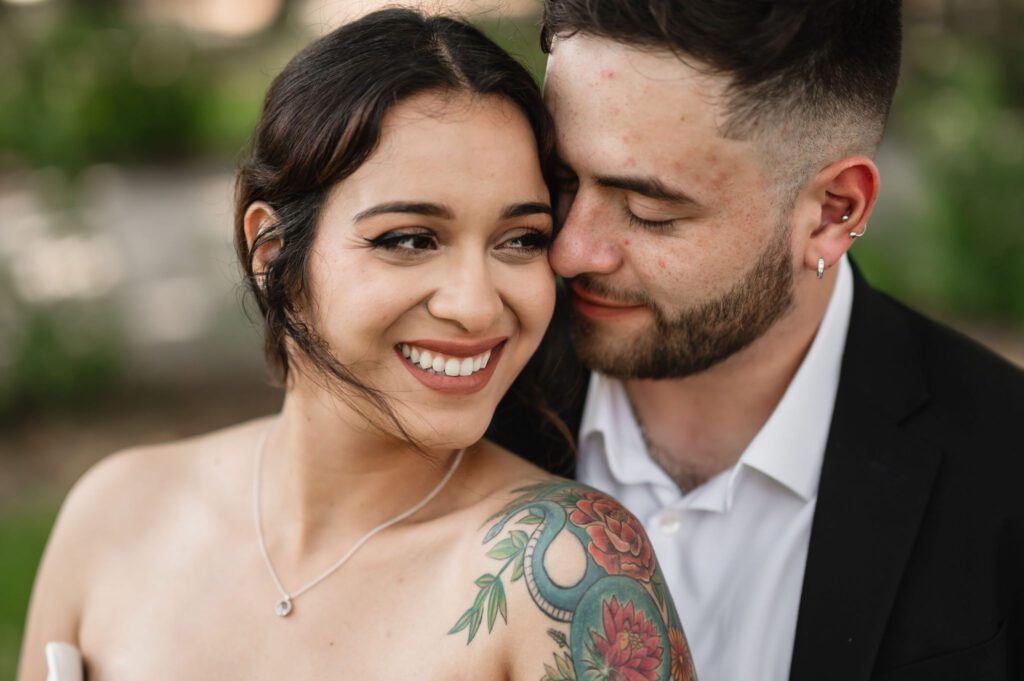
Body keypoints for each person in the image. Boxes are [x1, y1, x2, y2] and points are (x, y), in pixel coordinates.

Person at [17, 9, 697, 681]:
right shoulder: (113, 514)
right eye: (410, 239)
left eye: (519, 240)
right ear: (273, 249)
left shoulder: (565, 571)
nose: (476, 302)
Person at [490, 1, 1024, 680]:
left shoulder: (1005, 473)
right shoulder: (458, 411)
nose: (569, 252)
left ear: (835, 212)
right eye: (562, 180)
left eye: (650, 211)